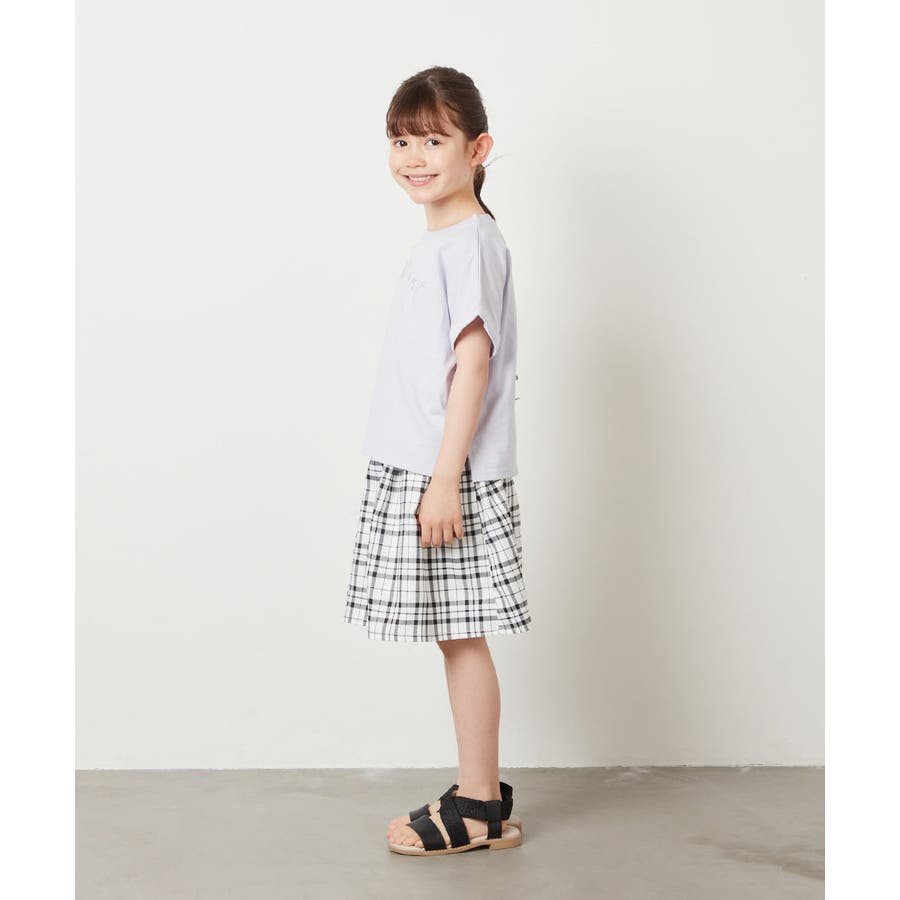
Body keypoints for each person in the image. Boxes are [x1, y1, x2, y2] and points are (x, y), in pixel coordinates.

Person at [344, 65, 530, 856]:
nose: (413, 157)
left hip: (446, 471)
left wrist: (445, 478)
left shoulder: (471, 244)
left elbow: (474, 365)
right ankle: (478, 791)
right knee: (456, 634)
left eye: (432, 140)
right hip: (426, 466)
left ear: (477, 149)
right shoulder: (447, 241)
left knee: (462, 633)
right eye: (400, 141)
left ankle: (479, 805)